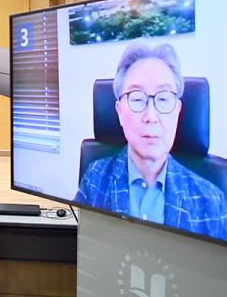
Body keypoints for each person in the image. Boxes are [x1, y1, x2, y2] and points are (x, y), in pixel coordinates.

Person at [75, 42, 226, 240]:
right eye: (137, 98)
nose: (151, 116)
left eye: (163, 99)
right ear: (120, 112)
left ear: (178, 111)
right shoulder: (94, 178)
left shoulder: (211, 201)